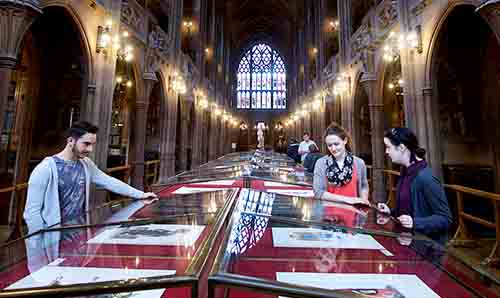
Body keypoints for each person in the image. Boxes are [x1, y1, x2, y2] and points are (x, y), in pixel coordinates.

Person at [23, 121, 158, 234]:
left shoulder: (86, 164)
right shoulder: (45, 169)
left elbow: (109, 182)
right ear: (71, 140)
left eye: (92, 144)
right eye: (86, 144)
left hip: (79, 234)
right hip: (53, 236)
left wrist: (140, 195)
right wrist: (38, 245)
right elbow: (32, 213)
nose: (90, 149)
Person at [378, 127, 452, 243]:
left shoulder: (426, 178)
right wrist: (391, 212)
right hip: (407, 241)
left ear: (402, 147)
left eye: (388, 147)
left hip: (425, 249)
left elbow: (445, 219)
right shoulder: (405, 171)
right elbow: (408, 210)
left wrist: (414, 222)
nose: (386, 152)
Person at [313, 122, 370, 206]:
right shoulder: (321, 163)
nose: (333, 148)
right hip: (330, 216)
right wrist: (347, 200)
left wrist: (363, 200)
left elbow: (364, 186)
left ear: (345, 141)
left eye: (336, 144)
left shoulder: (359, 163)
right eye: (329, 145)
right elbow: (318, 192)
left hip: (353, 213)